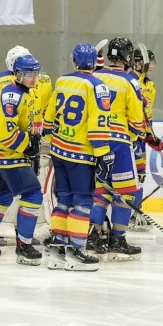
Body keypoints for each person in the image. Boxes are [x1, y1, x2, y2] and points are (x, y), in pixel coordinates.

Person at [41, 43, 113, 271]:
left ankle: (58, 250)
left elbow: (49, 117)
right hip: (81, 155)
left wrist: (51, 139)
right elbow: (98, 123)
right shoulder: (98, 87)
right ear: (95, 64)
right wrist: (103, 153)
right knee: (82, 202)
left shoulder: (62, 81)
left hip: (59, 152)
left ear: (74, 62)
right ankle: (76, 252)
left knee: (64, 200)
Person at [0, 54, 45, 265]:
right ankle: (24, 246)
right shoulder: (12, 95)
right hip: (9, 155)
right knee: (33, 194)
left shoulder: (22, 92)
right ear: (17, 74)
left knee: (2, 197)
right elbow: (6, 132)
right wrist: (27, 144)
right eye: (29, 74)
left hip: (8, 154)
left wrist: (32, 138)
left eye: (36, 74)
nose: (34, 78)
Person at [86, 37, 146, 261]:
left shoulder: (95, 76)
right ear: (128, 56)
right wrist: (132, 136)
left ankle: (93, 234)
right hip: (119, 143)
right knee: (126, 192)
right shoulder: (130, 81)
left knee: (101, 190)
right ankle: (117, 239)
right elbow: (137, 122)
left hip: (96, 141)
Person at [130, 46, 163, 226]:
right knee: (128, 174)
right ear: (136, 62)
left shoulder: (151, 85)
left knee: (140, 174)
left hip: (141, 138)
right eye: (146, 62)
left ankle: (136, 210)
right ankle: (126, 211)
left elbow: (148, 114)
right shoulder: (129, 81)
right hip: (129, 136)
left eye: (152, 62)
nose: (151, 65)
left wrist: (150, 135)